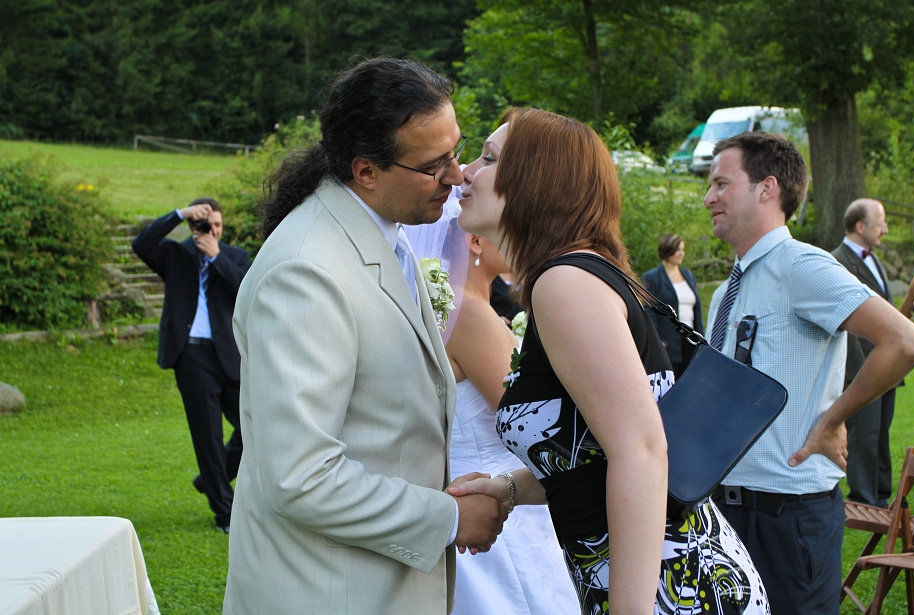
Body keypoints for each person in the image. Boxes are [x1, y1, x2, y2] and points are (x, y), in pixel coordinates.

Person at [448, 108, 769, 615]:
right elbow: (593, 453)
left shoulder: (566, 283)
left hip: (673, 587)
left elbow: (641, 452)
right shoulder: (578, 275)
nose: (464, 172)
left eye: (488, 159)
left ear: (536, 179)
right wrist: (508, 487)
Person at [223, 58, 506, 615]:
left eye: (455, 151)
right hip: (328, 593)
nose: (456, 176)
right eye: (433, 165)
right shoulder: (305, 272)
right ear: (366, 171)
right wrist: (447, 518)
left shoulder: (383, 236)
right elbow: (300, 476)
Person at [703, 131, 914, 614]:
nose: (708, 197)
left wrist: (832, 419)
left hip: (787, 518)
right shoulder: (724, 293)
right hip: (722, 512)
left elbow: (906, 342)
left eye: (721, 183)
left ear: (767, 188)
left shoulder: (801, 266)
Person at [406, 202, 581, 615]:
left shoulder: (456, 309)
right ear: (476, 241)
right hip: (498, 504)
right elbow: (534, 419)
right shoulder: (468, 313)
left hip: (482, 489)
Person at [131, 198, 249, 533]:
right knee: (207, 436)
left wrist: (216, 256)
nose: (213, 231)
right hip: (192, 357)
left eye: (218, 225)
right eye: (206, 225)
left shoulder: (236, 257)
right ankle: (225, 513)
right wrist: (180, 214)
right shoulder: (175, 255)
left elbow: (246, 291)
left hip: (230, 356)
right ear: (193, 226)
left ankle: (211, 477)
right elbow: (141, 244)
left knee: (253, 425)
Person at [831, 198, 900, 507]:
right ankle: (863, 500)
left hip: (888, 364)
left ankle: (882, 497)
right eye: (879, 223)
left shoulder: (874, 259)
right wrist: (862, 372)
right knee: (865, 435)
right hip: (864, 367)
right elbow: (843, 323)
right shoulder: (838, 261)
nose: (884, 229)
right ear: (860, 226)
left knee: (881, 433)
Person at [641, 234, 704, 376]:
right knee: (672, 380)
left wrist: (701, 338)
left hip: (691, 339)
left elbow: (696, 309)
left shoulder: (688, 275)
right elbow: (649, 311)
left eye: (683, 250)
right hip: (668, 342)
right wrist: (657, 340)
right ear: (668, 250)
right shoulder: (652, 277)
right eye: (678, 250)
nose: (682, 253)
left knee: (690, 379)